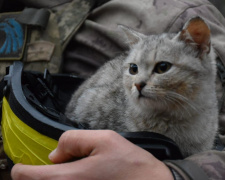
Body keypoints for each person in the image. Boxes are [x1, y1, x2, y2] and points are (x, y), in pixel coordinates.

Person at [1, 0, 225, 179]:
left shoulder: (174, 13)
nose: (139, 82)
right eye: (134, 69)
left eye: (162, 67)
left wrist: (172, 175)